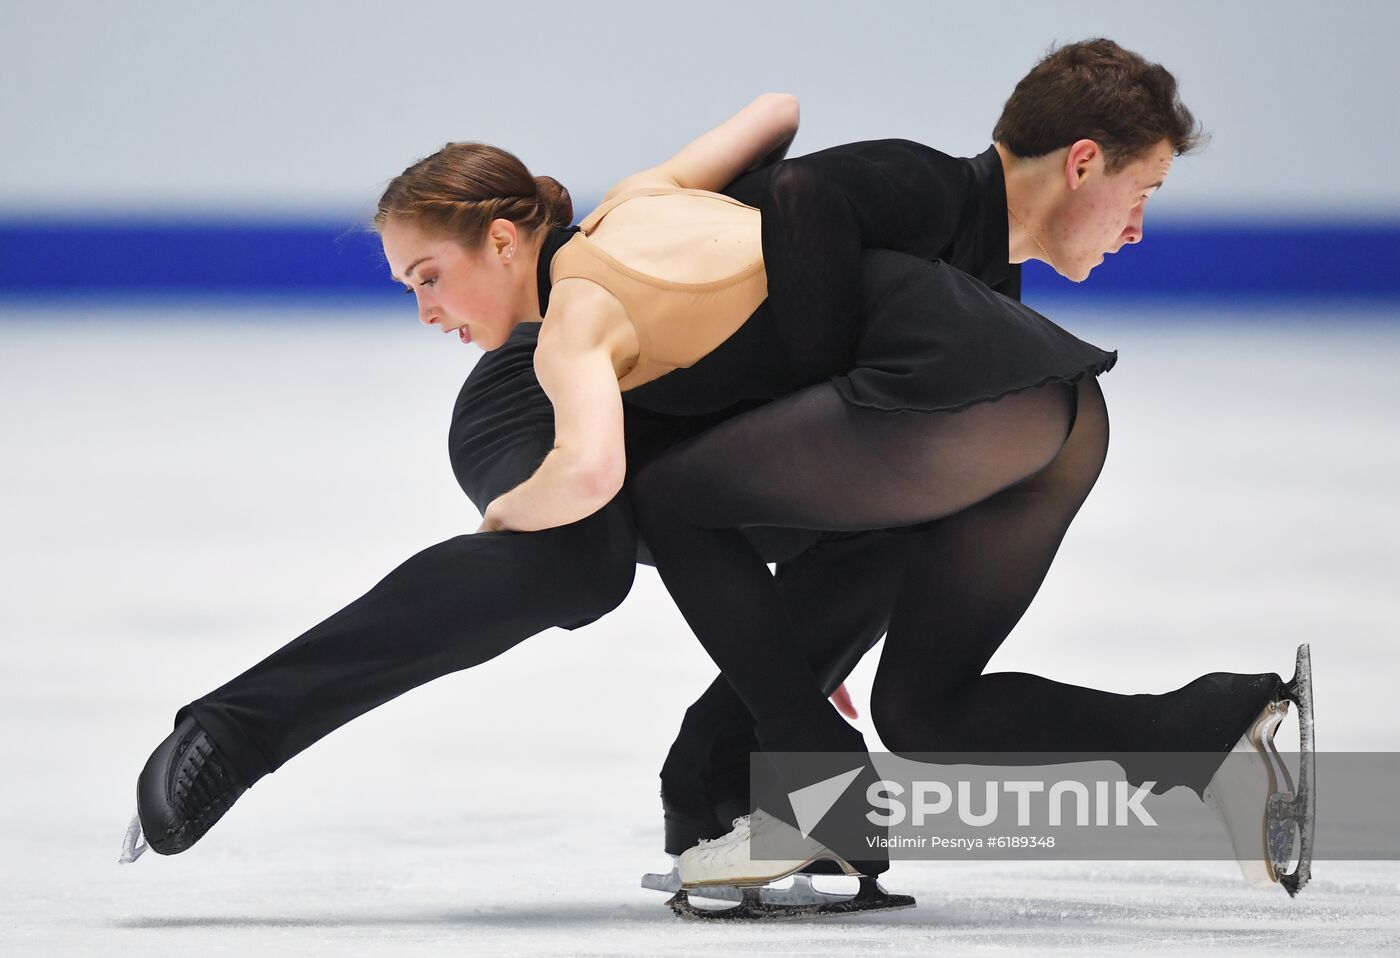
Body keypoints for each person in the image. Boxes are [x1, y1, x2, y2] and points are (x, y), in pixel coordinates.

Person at [126, 39, 1306, 897]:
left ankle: (780, 783)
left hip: (808, 408)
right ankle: (241, 728)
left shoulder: (620, 249)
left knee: (679, 515)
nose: (419, 306)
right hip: (916, 407)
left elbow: (790, 172)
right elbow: (780, 136)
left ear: (503, 237)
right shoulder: (605, 285)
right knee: (576, 566)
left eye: (427, 276)